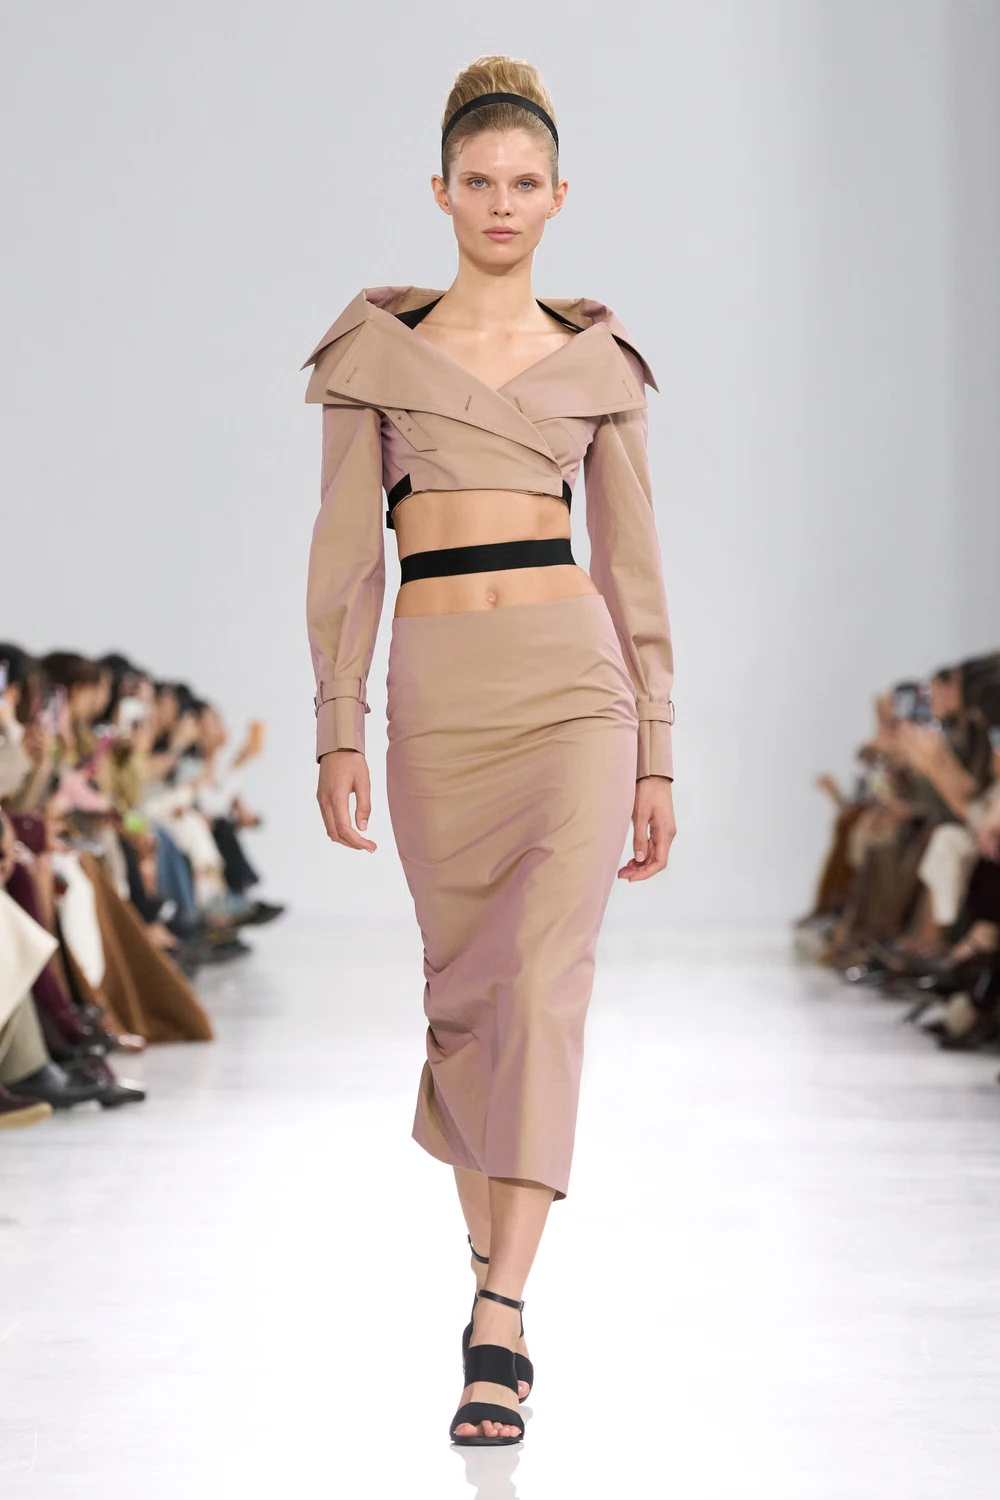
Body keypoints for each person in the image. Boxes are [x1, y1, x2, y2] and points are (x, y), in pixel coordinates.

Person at [303, 55, 676, 1447]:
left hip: (576, 696)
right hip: (443, 697)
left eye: (526, 183)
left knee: (541, 986)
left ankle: (500, 1321)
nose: (503, 203)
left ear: (560, 197)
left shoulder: (599, 364)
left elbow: (633, 567)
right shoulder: (374, 355)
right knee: (468, 998)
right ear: (441, 192)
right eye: (480, 181)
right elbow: (347, 557)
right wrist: (338, 721)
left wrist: (658, 751)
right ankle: (488, 1273)